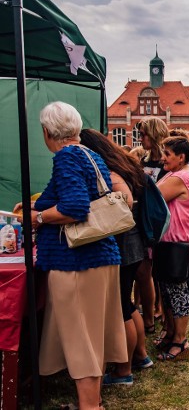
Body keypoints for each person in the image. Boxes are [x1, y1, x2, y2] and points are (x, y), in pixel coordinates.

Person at [16, 102, 126, 409]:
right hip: (100, 257)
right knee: (92, 337)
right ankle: (94, 402)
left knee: (81, 340)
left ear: (48, 131)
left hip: (77, 262)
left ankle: (89, 406)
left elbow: (74, 207)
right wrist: (36, 207)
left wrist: (37, 218)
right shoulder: (90, 154)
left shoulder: (65, 157)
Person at [79, 129, 153, 386]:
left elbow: (127, 200)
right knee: (127, 303)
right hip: (132, 243)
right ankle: (140, 356)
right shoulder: (124, 165)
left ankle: (123, 370)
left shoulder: (111, 172)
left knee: (121, 306)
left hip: (125, 243)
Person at [154, 136, 189, 361]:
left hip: (177, 244)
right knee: (168, 292)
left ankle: (181, 341)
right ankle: (172, 333)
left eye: (167, 154)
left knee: (178, 294)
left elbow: (153, 197)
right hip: (169, 242)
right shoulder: (176, 174)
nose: (163, 157)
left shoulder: (182, 177)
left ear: (181, 157)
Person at [137, 117, 169, 334]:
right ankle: (150, 313)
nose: (140, 139)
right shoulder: (143, 161)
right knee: (146, 270)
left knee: (161, 272)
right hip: (144, 221)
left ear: (154, 134)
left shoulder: (166, 164)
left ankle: (162, 311)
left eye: (143, 134)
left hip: (161, 223)